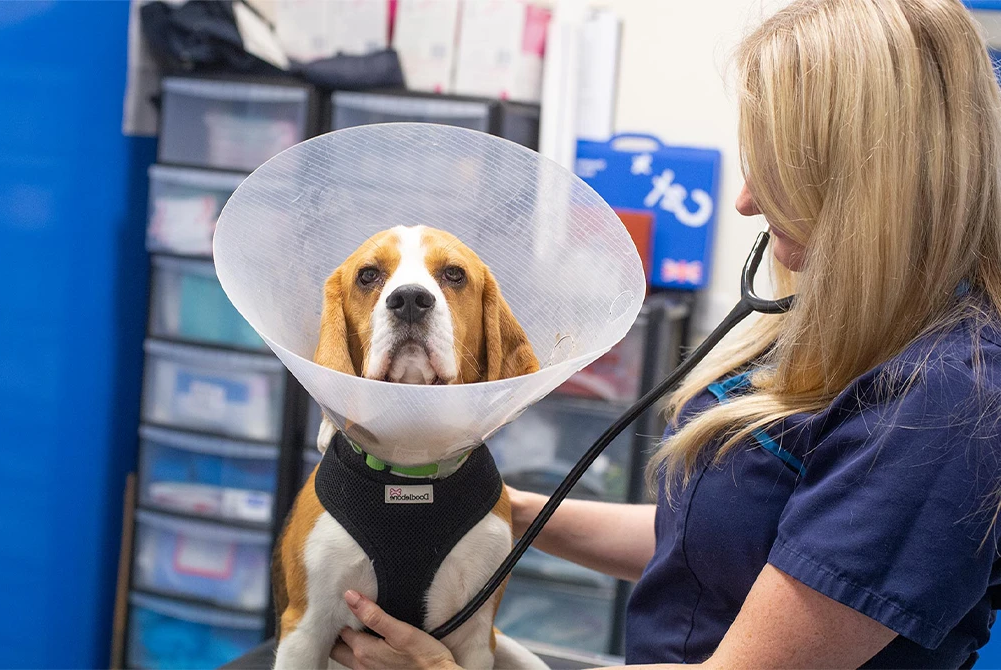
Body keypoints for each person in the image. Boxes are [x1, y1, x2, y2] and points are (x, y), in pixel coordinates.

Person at [328, 0, 1001, 667]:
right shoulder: (836, 325)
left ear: (872, 183)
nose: (746, 201)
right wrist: (480, 504)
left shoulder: (946, 406)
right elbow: (714, 535)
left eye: (780, 169)